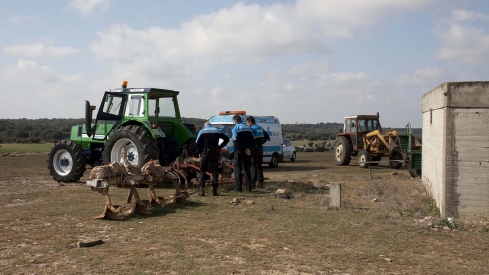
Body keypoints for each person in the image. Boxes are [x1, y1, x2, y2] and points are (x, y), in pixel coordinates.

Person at [196, 122, 230, 196]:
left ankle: (202, 191)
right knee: (214, 171)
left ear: (205, 125)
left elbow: (198, 143)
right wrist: (219, 146)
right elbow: (226, 139)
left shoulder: (202, 131)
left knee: (202, 171)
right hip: (215, 153)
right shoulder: (217, 130)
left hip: (205, 153)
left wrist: (200, 151)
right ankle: (214, 191)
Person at [231, 114, 255, 192]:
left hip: (239, 151)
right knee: (247, 169)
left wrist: (242, 148)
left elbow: (235, 140)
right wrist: (249, 149)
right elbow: (252, 140)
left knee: (237, 169)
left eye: (233, 121)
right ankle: (249, 188)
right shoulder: (248, 127)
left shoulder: (236, 128)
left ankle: (238, 188)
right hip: (247, 151)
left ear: (235, 120)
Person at [246, 116, 270, 189]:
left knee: (253, 166)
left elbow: (250, 139)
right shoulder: (260, 128)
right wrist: (262, 142)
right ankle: (260, 183)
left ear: (250, 122)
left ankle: (253, 183)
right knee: (259, 166)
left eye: (247, 123)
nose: (247, 124)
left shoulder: (251, 129)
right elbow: (267, 136)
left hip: (254, 149)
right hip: (260, 148)